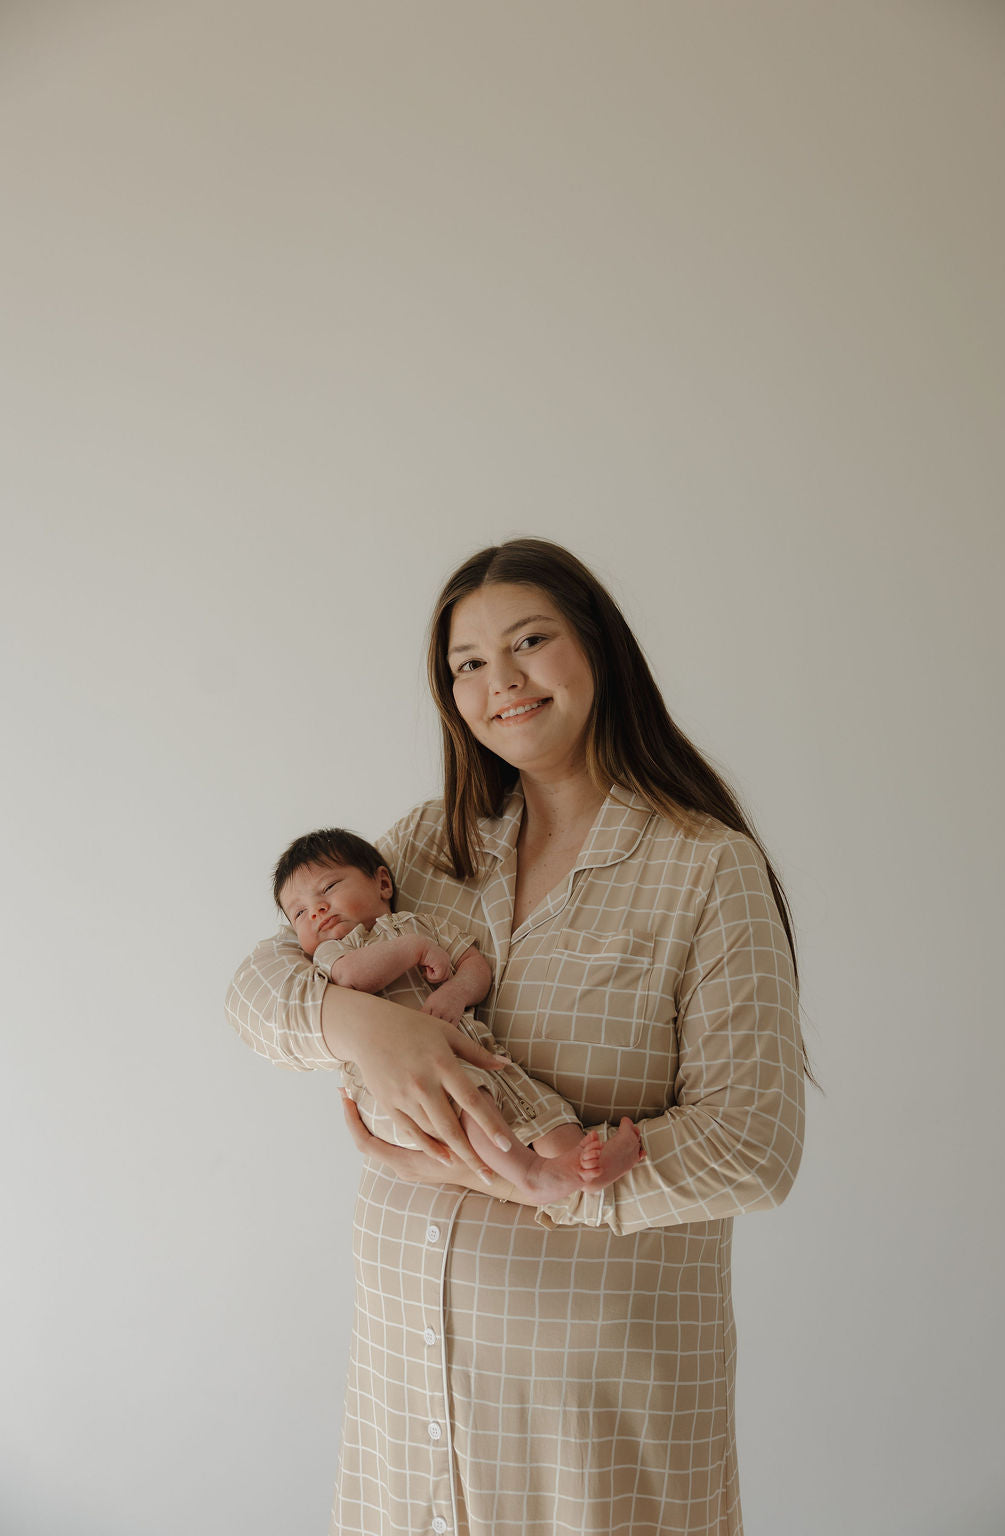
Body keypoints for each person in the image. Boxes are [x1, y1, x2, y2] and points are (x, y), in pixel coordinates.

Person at [226, 537, 808, 1536]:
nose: (501, 681)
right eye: (468, 663)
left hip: (592, 1431)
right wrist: (366, 1029)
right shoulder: (428, 844)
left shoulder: (706, 869)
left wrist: (511, 1176)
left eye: (529, 641)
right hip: (408, 1409)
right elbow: (255, 989)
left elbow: (752, 1147)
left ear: (597, 647)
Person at [272, 825, 643, 1203]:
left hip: (476, 1057)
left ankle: (583, 1166)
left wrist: (456, 992)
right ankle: (531, 1174)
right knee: (467, 1096)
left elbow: (474, 965)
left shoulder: (422, 923)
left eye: (329, 888)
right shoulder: (332, 953)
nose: (316, 910)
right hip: (403, 1088)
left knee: (534, 1102)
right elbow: (352, 977)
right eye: (299, 912)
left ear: (382, 883)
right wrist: (414, 949)